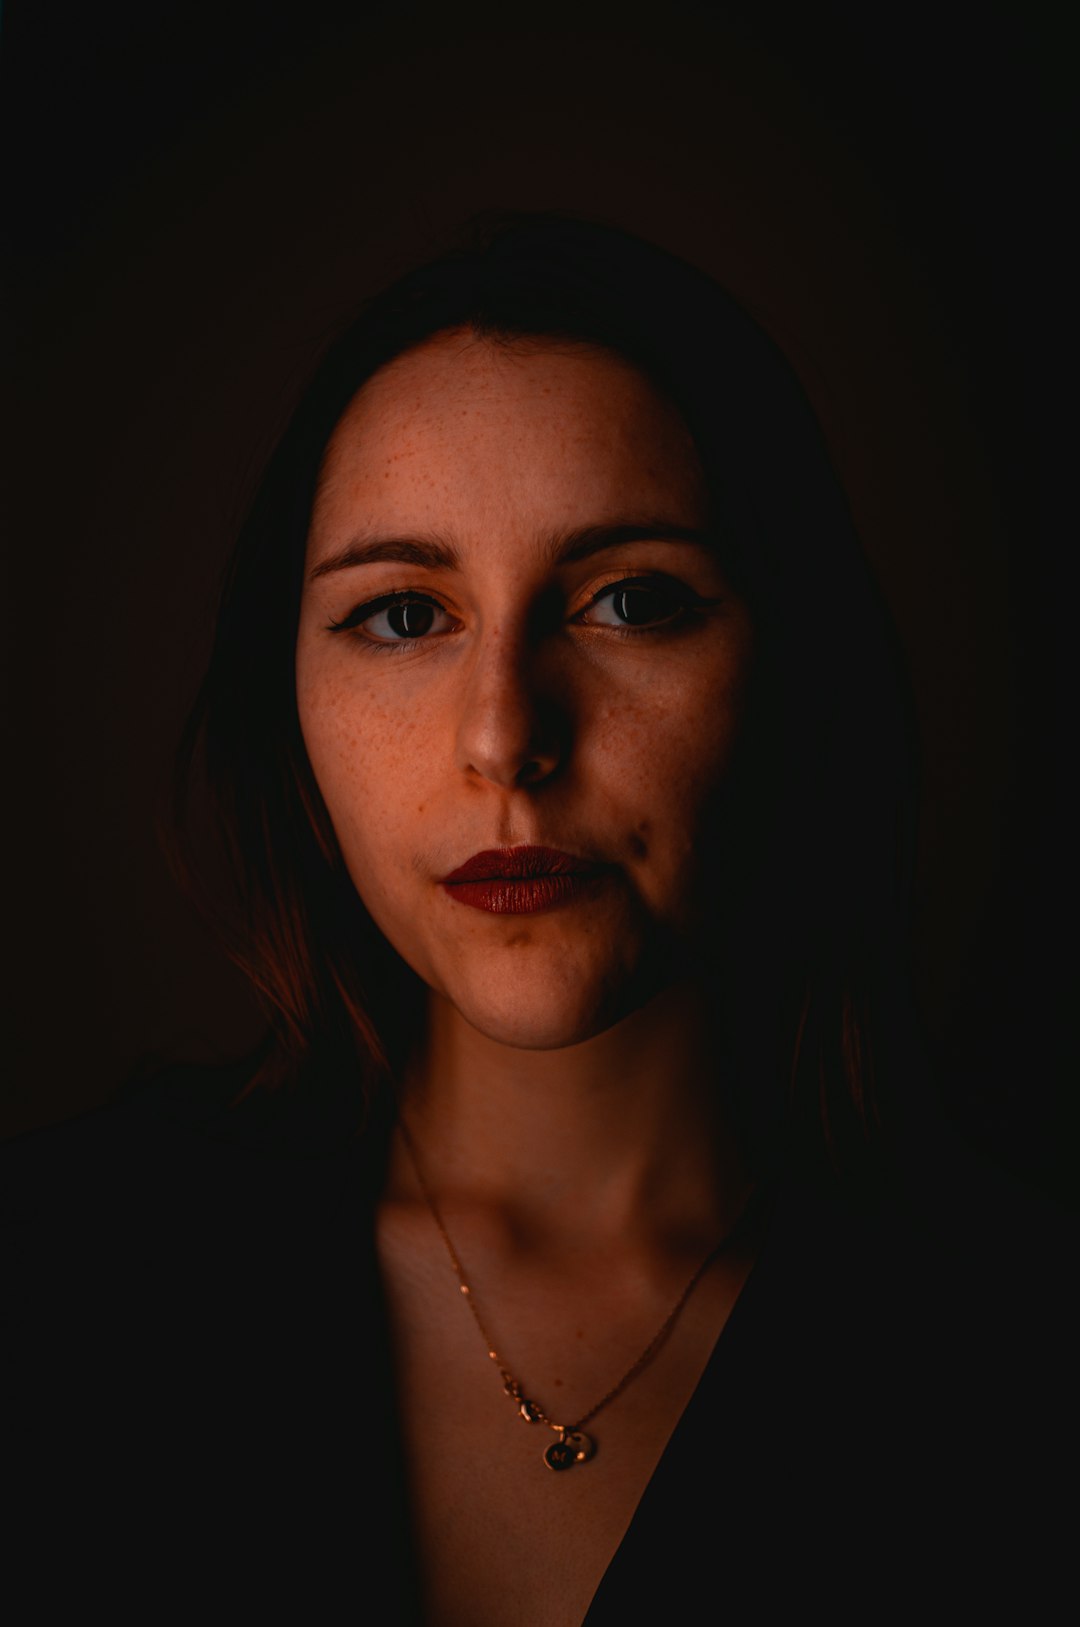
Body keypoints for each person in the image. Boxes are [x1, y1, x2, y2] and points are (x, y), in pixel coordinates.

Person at [4, 214, 1060, 1622]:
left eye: (630, 600)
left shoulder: (1026, 1364)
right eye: (400, 616)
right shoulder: (54, 1285)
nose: (505, 735)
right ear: (289, 704)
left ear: (796, 669)